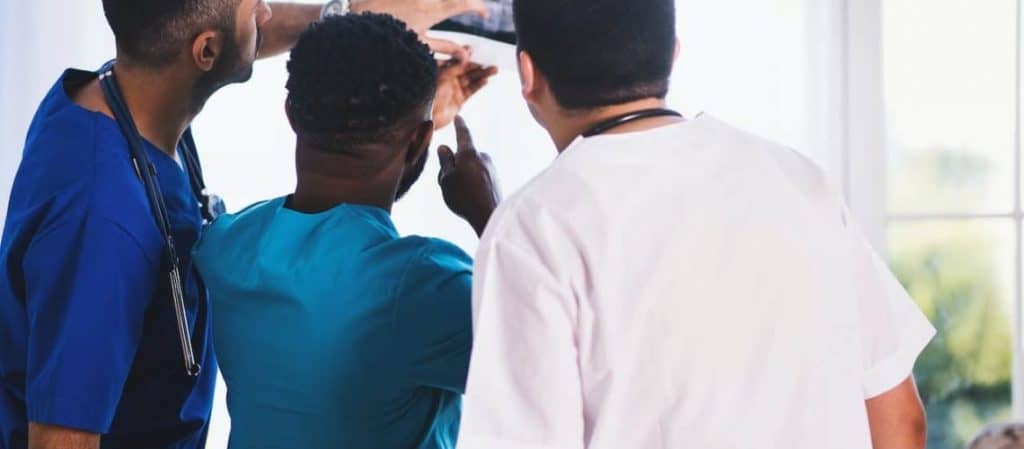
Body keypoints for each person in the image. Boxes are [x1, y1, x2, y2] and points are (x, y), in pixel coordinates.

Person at [0, 1, 490, 448]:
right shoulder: (100, 223)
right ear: (205, 51)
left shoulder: (117, 103)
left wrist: (351, 27)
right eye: (253, 4)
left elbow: (218, 34)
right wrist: (489, 213)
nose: (267, 11)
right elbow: (59, 441)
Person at [455, 1, 935, 448]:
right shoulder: (801, 181)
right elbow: (900, 420)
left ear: (527, 73)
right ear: (673, 55)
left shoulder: (531, 226)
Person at [192, 13, 499, 449]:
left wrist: (411, 131)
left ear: (291, 113)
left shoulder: (226, 245)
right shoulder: (420, 286)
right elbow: (559, 360)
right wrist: (492, 215)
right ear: (419, 141)